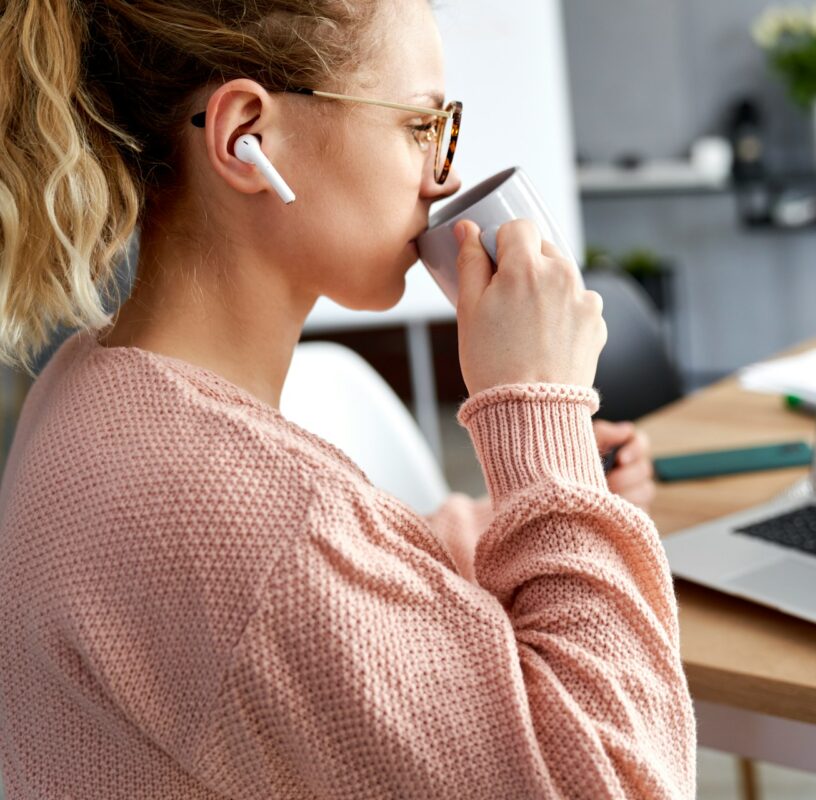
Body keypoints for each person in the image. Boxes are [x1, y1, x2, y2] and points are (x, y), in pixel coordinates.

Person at [0, 2, 694, 797]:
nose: (446, 176)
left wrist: (536, 506)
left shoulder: (91, 388)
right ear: (245, 140)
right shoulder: (251, 522)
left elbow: (340, 590)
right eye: (418, 127)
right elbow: (624, 781)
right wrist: (540, 420)